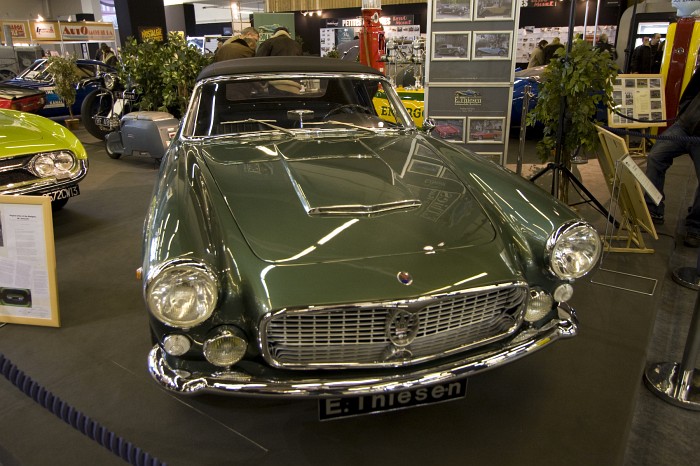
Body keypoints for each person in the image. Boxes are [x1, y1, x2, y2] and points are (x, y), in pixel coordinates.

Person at [644, 66, 700, 247]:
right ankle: (654, 208)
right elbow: (692, 88)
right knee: (656, 157)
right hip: (685, 126)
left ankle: (695, 226)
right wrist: (685, 113)